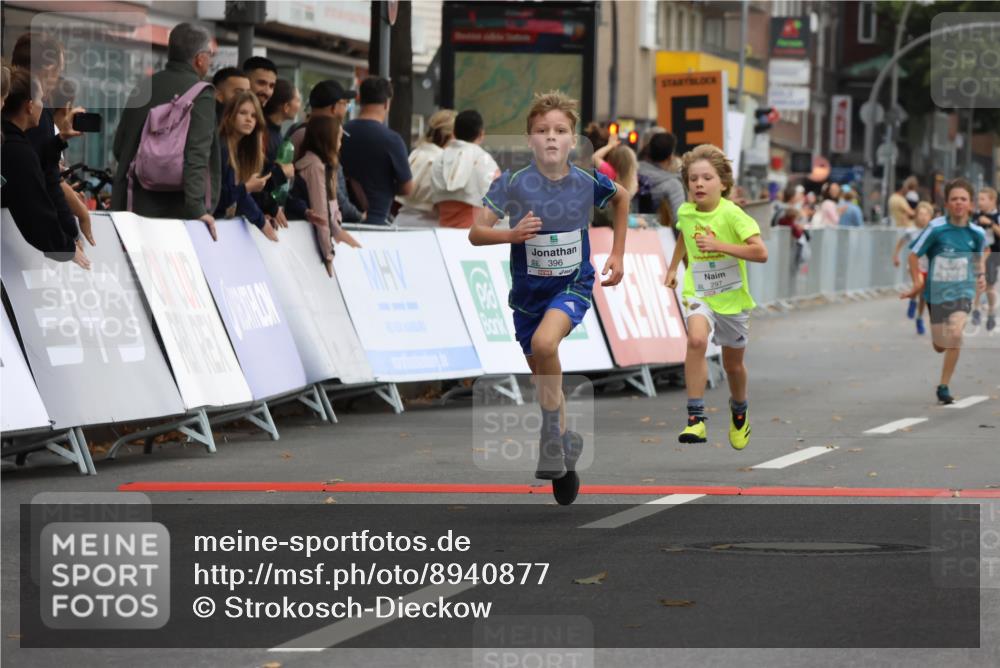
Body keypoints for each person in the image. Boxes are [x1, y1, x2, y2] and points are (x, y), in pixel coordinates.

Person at [470, 91, 629, 505]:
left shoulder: (586, 181)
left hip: (572, 284)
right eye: (542, 131)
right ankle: (564, 444)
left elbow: (622, 198)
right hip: (528, 296)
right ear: (530, 140)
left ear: (573, 140)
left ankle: (549, 437)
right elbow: (476, 232)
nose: (551, 137)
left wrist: (617, 253)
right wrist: (511, 234)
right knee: (543, 372)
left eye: (560, 130)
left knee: (545, 345)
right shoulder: (512, 183)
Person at [664, 144, 768, 449]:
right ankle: (695, 419)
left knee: (733, 366)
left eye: (707, 178)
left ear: (723, 183)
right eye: (693, 179)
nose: (699, 184)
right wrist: (673, 267)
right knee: (696, 341)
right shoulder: (686, 211)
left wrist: (720, 245)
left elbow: (760, 252)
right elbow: (685, 234)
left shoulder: (733, 215)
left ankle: (740, 410)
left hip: (732, 299)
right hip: (699, 291)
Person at [111, 23, 220, 237]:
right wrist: (197, 209)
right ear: (200, 58)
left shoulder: (143, 86)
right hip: (176, 215)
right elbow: (197, 155)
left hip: (132, 207)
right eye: (210, 55)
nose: (210, 60)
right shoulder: (202, 94)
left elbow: (119, 148)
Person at [902, 179, 987, 404]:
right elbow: (913, 255)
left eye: (963, 199)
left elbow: (979, 258)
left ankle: (944, 385)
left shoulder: (977, 233)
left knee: (956, 334)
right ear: (947, 203)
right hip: (937, 294)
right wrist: (917, 283)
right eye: (954, 199)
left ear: (970, 204)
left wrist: (980, 276)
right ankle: (942, 349)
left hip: (963, 291)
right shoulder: (936, 228)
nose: (959, 203)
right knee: (940, 345)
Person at [1, 69, 88, 267]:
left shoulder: (13, 145)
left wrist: (58, 141)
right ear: (30, 106)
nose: (44, 106)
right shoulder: (16, 152)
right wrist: (65, 247)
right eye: (41, 99)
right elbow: (35, 211)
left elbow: (39, 169)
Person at [10, 33, 89, 248]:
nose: (57, 79)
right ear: (48, 68)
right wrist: (70, 235)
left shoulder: (8, 102)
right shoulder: (35, 114)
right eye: (59, 70)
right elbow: (46, 179)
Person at [340, 77, 413, 225]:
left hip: (341, 219)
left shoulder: (341, 132)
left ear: (360, 100)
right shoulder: (392, 140)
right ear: (387, 103)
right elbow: (407, 187)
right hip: (376, 221)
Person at [294, 114, 361, 274]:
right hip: (308, 243)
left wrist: (336, 231)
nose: (340, 144)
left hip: (311, 237)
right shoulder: (316, 166)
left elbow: (330, 207)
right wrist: (328, 254)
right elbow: (321, 211)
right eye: (338, 139)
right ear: (327, 139)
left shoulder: (324, 165)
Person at [288, 79, 363, 223]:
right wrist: (357, 216)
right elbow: (331, 189)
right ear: (334, 107)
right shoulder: (310, 136)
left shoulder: (298, 131)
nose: (346, 109)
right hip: (313, 223)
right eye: (344, 104)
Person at [214, 91, 277, 241]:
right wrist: (247, 188)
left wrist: (262, 220)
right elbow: (217, 198)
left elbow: (241, 197)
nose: (249, 119)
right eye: (243, 113)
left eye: (254, 116)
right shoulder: (221, 147)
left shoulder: (241, 151)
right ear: (229, 115)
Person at [430, 109, 499, 228]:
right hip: (474, 233)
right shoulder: (485, 160)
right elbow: (497, 203)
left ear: (454, 132)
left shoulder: (439, 159)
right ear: (481, 134)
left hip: (442, 232)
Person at [397, 108, 455, 215]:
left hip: (402, 218)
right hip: (430, 221)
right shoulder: (444, 162)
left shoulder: (416, 153)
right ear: (452, 135)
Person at [894, 201, 932, 335]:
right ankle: (913, 299)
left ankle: (919, 317)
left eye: (926, 215)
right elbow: (900, 242)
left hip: (928, 265)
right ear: (916, 215)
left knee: (924, 295)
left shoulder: (933, 231)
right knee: (919, 284)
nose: (923, 217)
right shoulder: (911, 230)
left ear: (930, 217)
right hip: (914, 264)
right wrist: (895, 256)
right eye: (920, 214)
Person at [638, 132, 685, 220]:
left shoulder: (632, 172)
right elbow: (680, 220)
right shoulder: (673, 185)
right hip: (659, 228)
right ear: (670, 157)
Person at [971, 186, 999, 331]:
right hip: (979, 252)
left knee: (989, 286)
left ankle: (991, 312)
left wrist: (990, 224)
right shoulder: (976, 215)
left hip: (994, 253)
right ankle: (976, 309)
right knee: (979, 279)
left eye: (983, 199)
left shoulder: (997, 216)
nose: (979, 202)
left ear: (992, 200)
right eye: (978, 199)